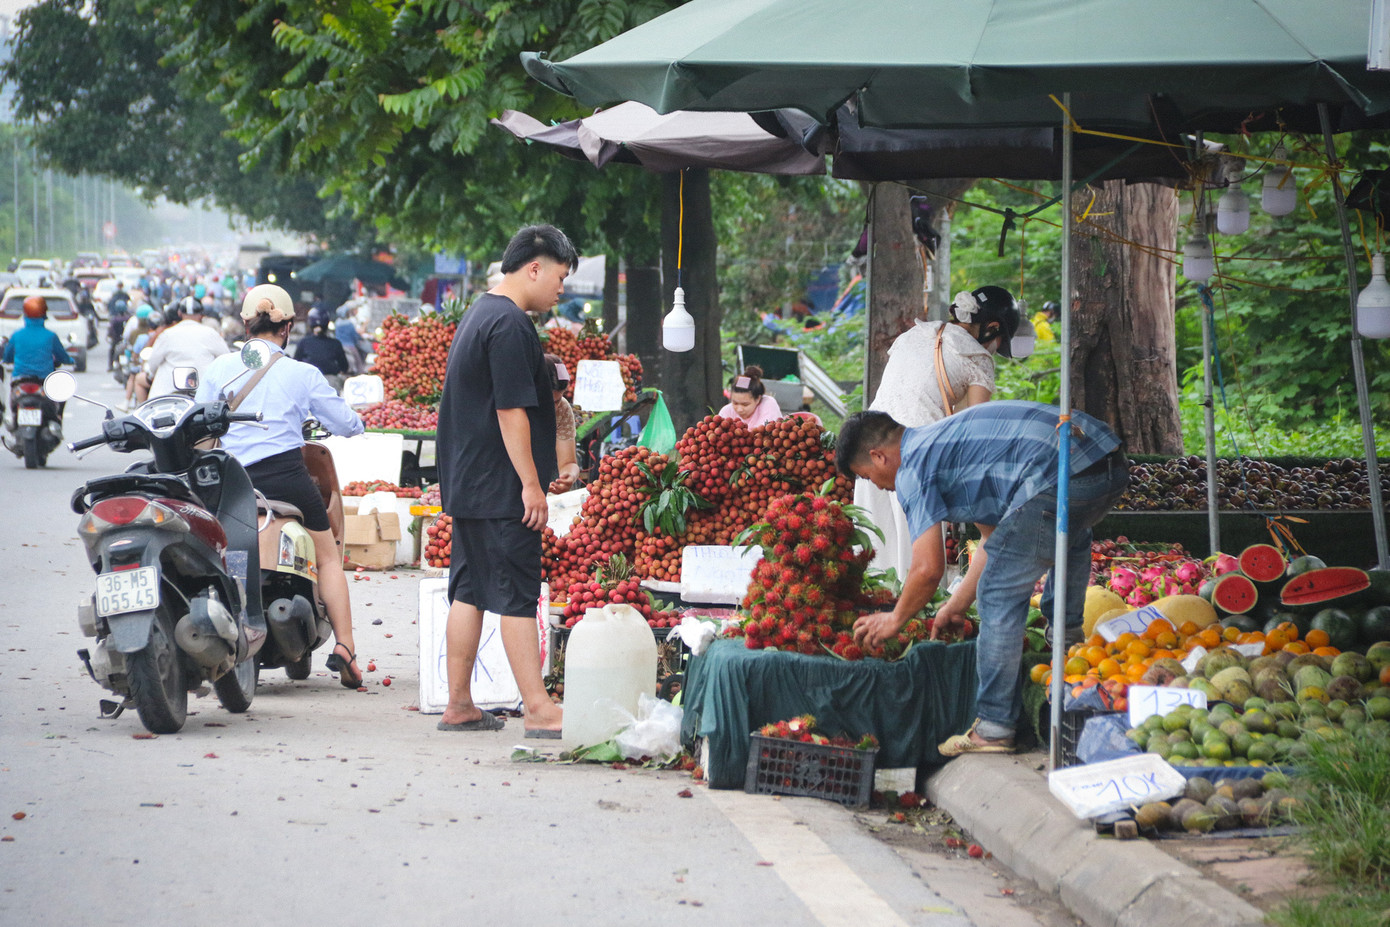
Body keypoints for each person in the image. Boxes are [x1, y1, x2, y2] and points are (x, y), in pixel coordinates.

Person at [837, 402, 1128, 756]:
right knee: (1069, 534)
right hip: (1106, 462)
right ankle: (1066, 648)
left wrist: (896, 618)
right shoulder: (944, 445)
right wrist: (955, 607)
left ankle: (993, 728)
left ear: (878, 456)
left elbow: (928, 568)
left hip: (1065, 470)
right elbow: (993, 540)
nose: (880, 488)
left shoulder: (912, 467)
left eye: (868, 478)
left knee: (998, 595)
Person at [434, 224, 575, 736]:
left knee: (469, 589)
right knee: (518, 590)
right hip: (500, 486)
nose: (562, 288)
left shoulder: (481, 311)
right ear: (534, 267)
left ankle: (459, 704)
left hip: (471, 483)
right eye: (560, 276)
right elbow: (511, 410)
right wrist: (531, 485)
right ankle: (538, 708)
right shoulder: (511, 324)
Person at [195, 284, 367, 689]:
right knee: (328, 559)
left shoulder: (220, 368)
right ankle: (345, 647)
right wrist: (357, 422)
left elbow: (196, 421)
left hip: (232, 483)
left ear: (245, 323)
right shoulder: (301, 374)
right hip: (288, 480)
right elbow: (346, 423)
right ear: (288, 327)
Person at [855, 285, 1021, 576]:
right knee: (915, 561)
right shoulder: (977, 357)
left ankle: (873, 617)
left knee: (874, 555)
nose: (995, 346)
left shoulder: (913, 335)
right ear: (991, 327)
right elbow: (974, 428)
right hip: (915, 455)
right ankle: (917, 617)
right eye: (998, 339)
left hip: (868, 446)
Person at [3, 296, 74, 446]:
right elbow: (63, 356)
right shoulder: (50, 336)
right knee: (61, 397)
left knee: (14, 404)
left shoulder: (17, 335)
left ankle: (15, 423)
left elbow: (7, 356)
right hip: (44, 382)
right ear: (44, 313)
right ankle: (57, 420)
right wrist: (70, 360)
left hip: (20, 380)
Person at [145, 297, 232, 399]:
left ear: (179, 313)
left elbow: (152, 363)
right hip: (204, 395)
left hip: (168, 396)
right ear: (201, 315)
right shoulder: (210, 333)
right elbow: (226, 359)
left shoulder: (167, 334)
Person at [545, 353, 581, 494]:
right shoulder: (514, 410)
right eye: (549, 401)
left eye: (558, 400)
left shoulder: (562, 409)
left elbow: (569, 463)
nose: (554, 407)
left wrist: (569, 477)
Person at [292, 307, 349, 384]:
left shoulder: (304, 342)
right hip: (330, 381)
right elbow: (344, 367)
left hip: (308, 380)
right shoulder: (336, 343)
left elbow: (296, 363)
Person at [717, 366, 782, 428]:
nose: (739, 409)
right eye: (735, 403)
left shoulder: (768, 405)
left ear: (757, 399)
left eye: (745, 404)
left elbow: (764, 434)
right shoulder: (726, 412)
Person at [334, 304, 366, 375]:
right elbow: (355, 336)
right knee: (359, 363)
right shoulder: (349, 323)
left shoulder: (337, 323)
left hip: (339, 346)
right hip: (350, 346)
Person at [105, 282, 131, 371]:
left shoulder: (116, 319)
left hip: (119, 339)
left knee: (112, 349)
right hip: (120, 339)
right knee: (112, 349)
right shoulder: (128, 318)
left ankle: (110, 365)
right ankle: (111, 365)